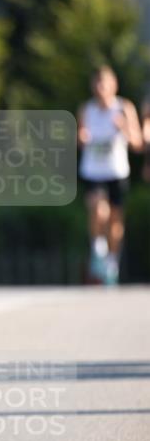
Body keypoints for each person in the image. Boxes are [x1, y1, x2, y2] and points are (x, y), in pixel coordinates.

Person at [77, 66, 142, 285]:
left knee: (115, 220)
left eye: (104, 83)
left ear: (113, 85)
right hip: (94, 171)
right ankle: (98, 248)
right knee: (98, 209)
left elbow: (138, 143)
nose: (100, 88)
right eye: (96, 83)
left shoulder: (124, 108)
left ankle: (112, 262)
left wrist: (124, 127)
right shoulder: (87, 109)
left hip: (116, 171)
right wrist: (82, 137)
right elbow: (80, 137)